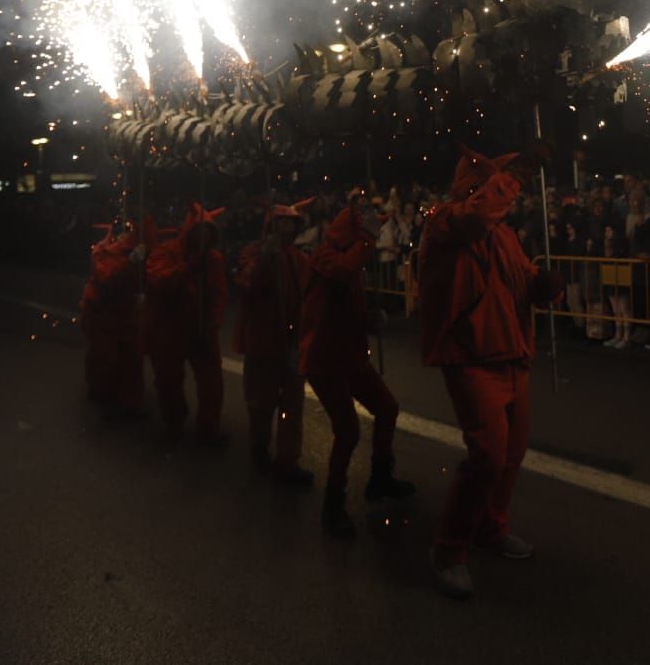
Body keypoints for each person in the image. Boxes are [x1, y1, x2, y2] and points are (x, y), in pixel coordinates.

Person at [418, 144, 563, 600]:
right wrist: (507, 176)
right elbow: (475, 219)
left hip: (512, 353)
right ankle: (449, 548)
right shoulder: (445, 221)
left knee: (511, 454)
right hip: (472, 356)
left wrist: (541, 286)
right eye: (503, 186)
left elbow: (520, 283)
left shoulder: (504, 234)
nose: (512, 196)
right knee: (487, 456)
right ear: (478, 187)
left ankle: (491, 526)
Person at [301, 193, 415, 538]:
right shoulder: (325, 256)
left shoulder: (352, 260)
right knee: (347, 431)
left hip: (349, 355)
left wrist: (369, 320)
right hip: (324, 359)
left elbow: (348, 307)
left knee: (387, 408)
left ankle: (380, 478)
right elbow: (340, 271)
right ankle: (332, 505)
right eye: (365, 233)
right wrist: (366, 239)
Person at [234, 200, 315, 486]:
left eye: (291, 223)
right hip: (262, 343)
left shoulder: (299, 258)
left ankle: (287, 462)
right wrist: (266, 260)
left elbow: (310, 296)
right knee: (260, 404)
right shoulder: (253, 253)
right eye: (281, 222)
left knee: (292, 407)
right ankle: (259, 450)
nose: (286, 227)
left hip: (290, 344)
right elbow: (248, 286)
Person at [146, 203, 228, 445]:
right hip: (170, 328)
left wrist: (212, 322)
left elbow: (219, 293)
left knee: (211, 381)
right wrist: (188, 268)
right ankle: (174, 421)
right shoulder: (166, 251)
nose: (203, 237)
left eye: (208, 233)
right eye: (199, 231)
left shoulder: (213, 259)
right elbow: (159, 281)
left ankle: (208, 425)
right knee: (168, 379)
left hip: (202, 330)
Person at [80, 217, 151, 416]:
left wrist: (144, 291)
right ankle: (103, 393)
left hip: (127, 313)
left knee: (131, 359)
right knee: (105, 358)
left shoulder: (137, 250)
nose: (125, 236)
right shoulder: (101, 251)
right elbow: (107, 279)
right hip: (102, 315)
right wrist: (131, 262)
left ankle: (130, 401)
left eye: (128, 232)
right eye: (122, 232)